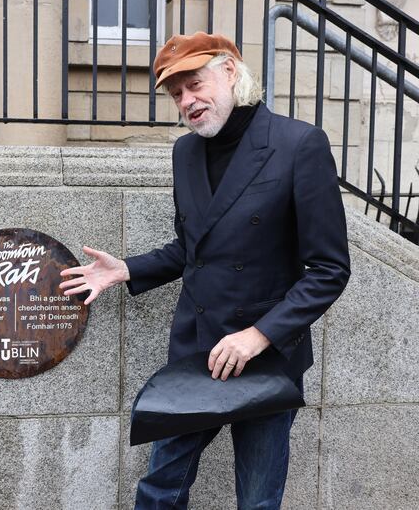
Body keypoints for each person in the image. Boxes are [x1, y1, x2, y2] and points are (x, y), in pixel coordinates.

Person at [60, 32, 350, 509]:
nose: (187, 102)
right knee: (158, 490)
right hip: (198, 351)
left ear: (230, 73)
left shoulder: (299, 144)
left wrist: (258, 335)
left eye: (194, 85)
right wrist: (126, 270)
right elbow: (196, 247)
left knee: (256, 501)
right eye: (176, 94)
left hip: (267, 358)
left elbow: (329, 269)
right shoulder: (185, 153)